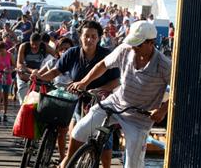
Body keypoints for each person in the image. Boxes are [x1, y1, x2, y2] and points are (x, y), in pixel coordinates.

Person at [60, 21, 171, 168]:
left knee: (132, 164)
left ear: (151, 43)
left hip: (139, 118)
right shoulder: (125, 49)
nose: (133, 47)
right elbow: (103, 65)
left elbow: (178, 91)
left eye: (137, 44)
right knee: (78, 131)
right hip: (115, 103)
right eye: (132, 42)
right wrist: (84, 82)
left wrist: (162, 110)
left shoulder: (164, 65)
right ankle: (68, 162)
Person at [32, 21, 120, 167]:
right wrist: (40, 77)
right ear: (80, 37)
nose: (89, 39)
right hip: (79, 101)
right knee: (77, 133)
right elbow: (56, 71)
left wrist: (99, 90)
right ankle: (68, 161)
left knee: (105, 139)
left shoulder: (106, 55)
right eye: (86, 36)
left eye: (93, 36)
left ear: (99, 38)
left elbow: (116, 81)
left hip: (101, 101)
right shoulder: (72, 53)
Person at [37, 37, 74, 161]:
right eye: (61, 49)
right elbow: (41, 75)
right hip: (54, 97)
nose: (64, 52)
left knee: (63, 131)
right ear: (57, 51)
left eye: (67, 49)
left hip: (69, 101)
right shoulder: (52, 62)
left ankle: (63, 157)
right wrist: (35, 75)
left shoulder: (76, 65)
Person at [16, 33, 56, 105]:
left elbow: (57, 55)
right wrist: (31, 71)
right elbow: (19, 64)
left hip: (37, 75)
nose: (34, 47)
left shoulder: (44, 47)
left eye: (36, 45)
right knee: (23, 101)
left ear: (40, 42)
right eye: (32, 44)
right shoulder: (24, 46)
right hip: (24, 74)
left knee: (35, 101)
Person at [0, 42, 15, 122]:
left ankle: (5, 113)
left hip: (7, 77)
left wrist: (10, 69)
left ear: (5, 49)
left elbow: (14, 65)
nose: (0, 52)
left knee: (6, 97)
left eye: (1, 50)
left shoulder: (10, 55)